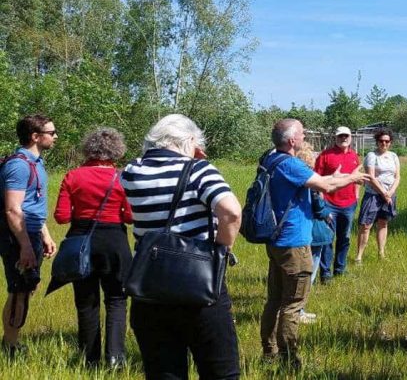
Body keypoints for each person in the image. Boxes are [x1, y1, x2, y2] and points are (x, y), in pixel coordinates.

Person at [121, 114, 243, 380]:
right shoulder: (199, 170)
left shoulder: (131, 171)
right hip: (199, 285)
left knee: (165, 373)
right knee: (221, 372)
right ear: (189, 140)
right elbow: (232, 213)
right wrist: (221, 253)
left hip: (149, 287)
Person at [259, 118, 367, 369]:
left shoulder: (270, 160)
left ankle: (269, 352)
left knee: (274, 300)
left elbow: (320, 180)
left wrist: (338, 177)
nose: (305, 136)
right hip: (294, 244)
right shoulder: (291, 164)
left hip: (276, 241)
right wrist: (353, 178)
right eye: (302, 133)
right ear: (292, 140)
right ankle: (290, 361)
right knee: (293, 305)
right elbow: (326, 185)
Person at [51, 127, 133, 367]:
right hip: (114, 242)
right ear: (116, 150)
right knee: (117, 299)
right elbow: (129, 217)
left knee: (86, 302)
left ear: (89, 149)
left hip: (81, 241)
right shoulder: (122, 178)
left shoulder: (73, 176)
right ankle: (116, 358)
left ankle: (90, 359)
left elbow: (61, 217)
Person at [1, 115, 58, 356]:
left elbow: (32, 205)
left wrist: (44, 233)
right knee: (19, 289)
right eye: (51, 132)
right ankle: (10, 346)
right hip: (18, 235)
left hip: (31, 232)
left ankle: (11, 340)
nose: (55, 136)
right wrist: (24, 245)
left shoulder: (36, 163)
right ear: (35, 136)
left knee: (25, 288)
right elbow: (13, 209)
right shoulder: (19, 165)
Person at [313, 125, 362, 282]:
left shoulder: (355, 156)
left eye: (346, 136)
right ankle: (326, 273)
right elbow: (317, 178)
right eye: (341, 136)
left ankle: (340, 269)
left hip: (348, 204)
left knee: (345, 238)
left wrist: (356, 197)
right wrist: (322, 200)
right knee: (327, 238)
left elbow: (357, 178)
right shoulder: (325, 155)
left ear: (350, 138)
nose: (344, 139)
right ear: (336, 137)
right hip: (329, 203)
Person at [296, 148, 334, 324]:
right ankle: (299, 310)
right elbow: (318, 206)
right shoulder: (309, 180)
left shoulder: (291, 177)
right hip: (312, 232)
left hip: (297, 231)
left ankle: (296, 309)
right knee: (308, 273)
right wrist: (327, 213)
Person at [356, 128, 401, 263]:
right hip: (373, 195)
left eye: (387, 141)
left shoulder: (393, 156)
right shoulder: (371, 155)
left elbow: (397, 176)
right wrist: (383, 193)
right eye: (381, 141)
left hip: (389, 194)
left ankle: (381, 253)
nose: (384, 143)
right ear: (377, 142)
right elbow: (371, 177)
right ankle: (359, 256)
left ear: (390, 142)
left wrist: (391, 192)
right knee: (366, 225)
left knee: (383, 223)